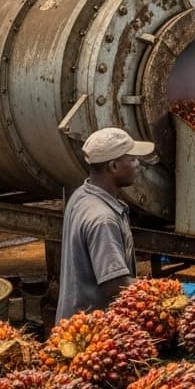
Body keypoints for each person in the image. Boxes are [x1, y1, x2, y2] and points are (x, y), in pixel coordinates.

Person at [54, 127, 153, 320]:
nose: (138, 164)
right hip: (92, 332)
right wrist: (165, 291)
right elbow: (116, 286)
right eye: (132, 159)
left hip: (74, 322)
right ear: (113, 166)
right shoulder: (103, 220)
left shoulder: (81, 194)